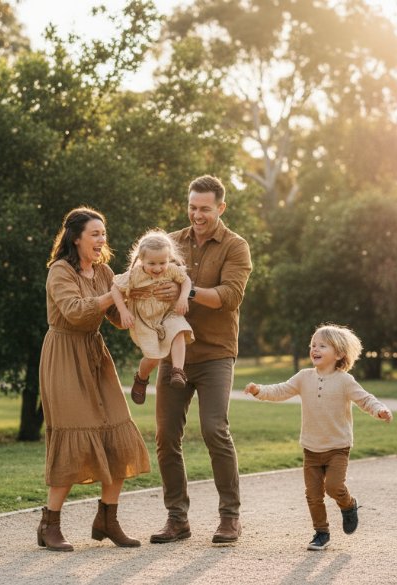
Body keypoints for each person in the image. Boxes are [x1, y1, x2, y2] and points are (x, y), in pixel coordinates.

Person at [142, 175, 252, 545]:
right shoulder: (171, 242)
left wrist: (185, 292)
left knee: (214, 429)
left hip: (215, 353)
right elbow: (146, 275)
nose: (197, 214)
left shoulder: (236, 247)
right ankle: (177, 519)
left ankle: (230, 517)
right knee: (165, 437)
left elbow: (230, 296)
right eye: (192, 207)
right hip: (173, 352)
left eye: (205, 208)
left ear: (221, 208)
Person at [37, 207, 152, 552]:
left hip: (95, 355)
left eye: (104, 234)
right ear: (76, 238)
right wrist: (115, 293)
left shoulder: (103, 271)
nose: (102, 240)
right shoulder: (60, 271)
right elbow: (74, 311)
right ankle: (50, 524)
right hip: (64, 356)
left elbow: (116, 316)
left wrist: (143, 298)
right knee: (73, 434)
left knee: (118, 432)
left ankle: (107, 519)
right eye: (95, 234)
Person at [244, 324, 393, 551]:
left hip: (337, 447)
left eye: (322, 346)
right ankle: (321, 533)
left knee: (334, 487)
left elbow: (365, 399)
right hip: (311, 448)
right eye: (313, 345)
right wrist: (259, 390)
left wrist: (380, 409)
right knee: (313, 495)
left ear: (339, 354)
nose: (315, 349)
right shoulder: (304, 377)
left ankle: (348, 505)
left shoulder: (345, 381)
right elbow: (281, 390)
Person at [111, 229, 195, 404]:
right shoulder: (135, 274)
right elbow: (115, 289)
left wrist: (183, 297)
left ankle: (177, 371)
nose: (158, 268)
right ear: (141, 260)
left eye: (162, 262)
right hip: (145, 320)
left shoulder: (171, 270)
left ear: (169, 258)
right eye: (152, 263)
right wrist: (124, 311)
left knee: (179, 330)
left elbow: (186, 280)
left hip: (168, 314)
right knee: (154, 357)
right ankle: (141, 378)